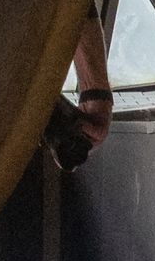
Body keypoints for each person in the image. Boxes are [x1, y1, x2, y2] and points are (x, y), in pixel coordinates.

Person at [45, 10, 114, 172]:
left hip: (91, 85)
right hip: (92, 83)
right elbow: (77, 123)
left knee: (83, 38)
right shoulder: (97, 135)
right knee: (86, 37)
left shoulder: (93, 136)